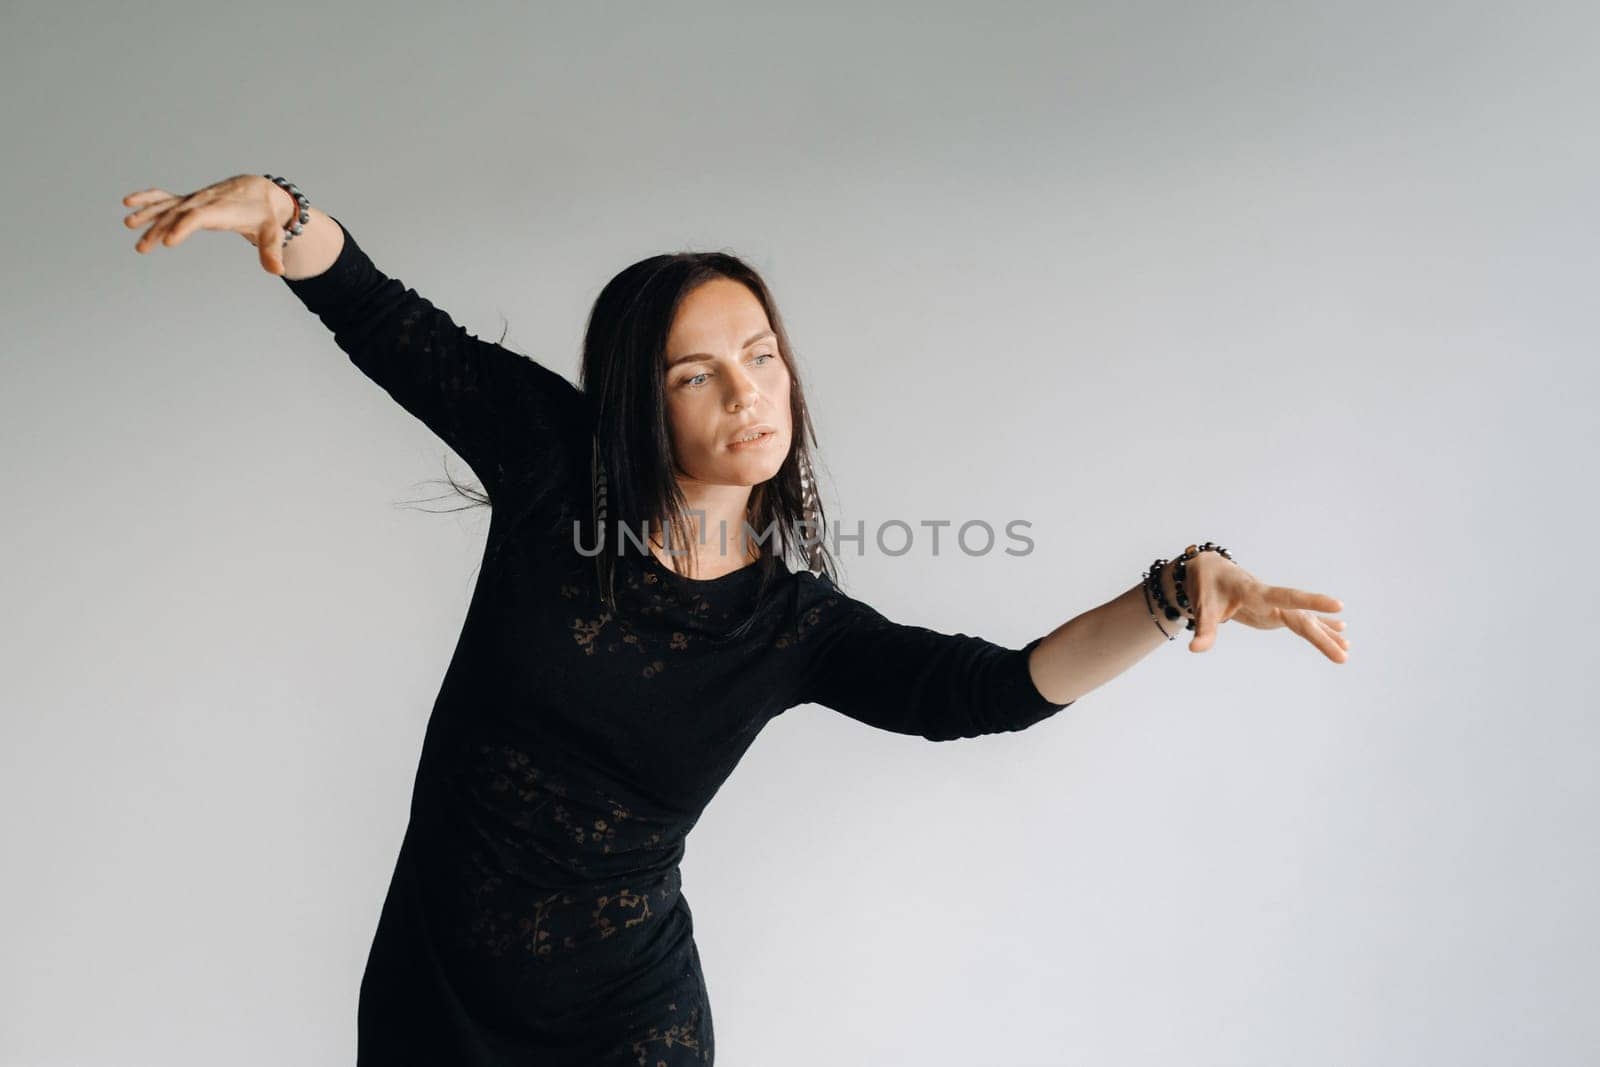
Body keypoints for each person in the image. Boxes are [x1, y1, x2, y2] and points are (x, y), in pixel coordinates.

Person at [120, 174, 1349, 1065]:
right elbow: (394, 324)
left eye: (759, 353)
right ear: (634, 407)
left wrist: (1174, 590)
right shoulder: (553, 470)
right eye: (695, 371)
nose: (746, 391)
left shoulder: (789, 625)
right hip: (432, 999)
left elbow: (991, 690)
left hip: (627, 1026)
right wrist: (283, 215)